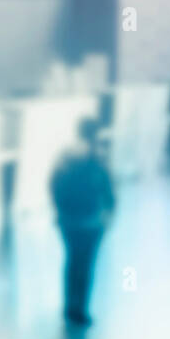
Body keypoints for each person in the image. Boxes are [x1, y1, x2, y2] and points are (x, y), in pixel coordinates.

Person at [50, 118, 116, 327]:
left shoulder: (64, 156)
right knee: (86, 265)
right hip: (91, 221)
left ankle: (69, 306)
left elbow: (53, 183)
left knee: (71, 261)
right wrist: (109, 214)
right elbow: (108, 189)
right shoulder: (99, 156)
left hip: (68, 221)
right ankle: (81, 309)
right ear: (96, 133)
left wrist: (59, 211)